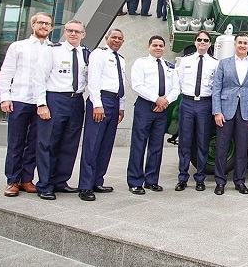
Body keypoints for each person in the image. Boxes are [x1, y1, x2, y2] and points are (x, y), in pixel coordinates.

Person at [0, 12, 54, 197]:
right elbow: (6, 72)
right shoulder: (19, 47)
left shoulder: (53, 49)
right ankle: (12, 180)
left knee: (34, 143)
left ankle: (26, 180)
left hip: (41, 102)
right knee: (16, 142)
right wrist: (5, 96)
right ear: (33, 25)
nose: (43, 26)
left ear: (51, 28)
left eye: (47, 24)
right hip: (20, 100)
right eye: (40, 23)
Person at [34, 20, 89, 200]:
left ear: (83, 34)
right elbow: (39, 78)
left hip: (76, 100)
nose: (73, 34)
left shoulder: (86, 54)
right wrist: (41, 104)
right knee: (48, 143)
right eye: (70, 31)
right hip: (55, 99)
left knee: (69, 144)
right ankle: (45, 184)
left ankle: (60, 181)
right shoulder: (52, 50)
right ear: (65, 32)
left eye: (77, 31)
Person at [77, 28, 126, 201]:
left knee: (106, 144)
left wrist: (121, 106)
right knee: (93, 143)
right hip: (101, 100)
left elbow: (121, 85)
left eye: (120, 38)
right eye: (114, 37)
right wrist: (97, 104)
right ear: (107, 38)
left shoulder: (120, 59)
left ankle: (98, 180)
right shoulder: (98, 54)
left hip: (114, 101)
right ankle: (85, 185)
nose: (117, 40)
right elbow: (94, 80)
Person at [127, 35, 180, 194]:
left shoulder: (169, 66)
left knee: (156, 146)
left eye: (161, 46)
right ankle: (135, 181)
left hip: (163, 108)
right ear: (148, 47)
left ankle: (151, 180)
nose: (158, 48)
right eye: (155, 45)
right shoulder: (140, 63)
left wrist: (165, 101)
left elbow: (176, 88)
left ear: (164, 48)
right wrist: (156, 99)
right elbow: (137, 85)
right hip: (145, 106)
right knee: (139, 144)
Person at [212, 33, 248, 195]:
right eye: (239, 42)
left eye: (245, 43)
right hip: (226, 111)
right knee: (222, 147)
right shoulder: (223, 64)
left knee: (242, 149)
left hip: (246, 112)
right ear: (235, 44)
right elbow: (216, 89)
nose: (242, 45)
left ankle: (240, 181)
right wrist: (217, 111)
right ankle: (220, 182)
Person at [175, 30, 218, 192]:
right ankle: (183, 177)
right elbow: (178, 81)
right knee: (185, 141)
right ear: (195, 42)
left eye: (205, 40)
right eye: (199, 40)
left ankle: (200, 177)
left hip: (205, 104)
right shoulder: (186, 61)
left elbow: (216, 86)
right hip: (187, 102)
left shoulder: (215, 63)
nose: (202, 42)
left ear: (209, 44)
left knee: (202, 141)